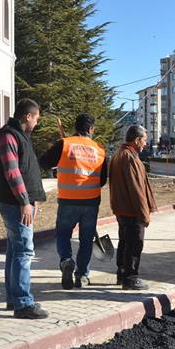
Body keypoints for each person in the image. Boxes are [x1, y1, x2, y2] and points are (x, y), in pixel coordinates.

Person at [0, 98, 49, 319]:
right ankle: (23, 302)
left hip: (21, 203)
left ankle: (13, 298)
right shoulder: (8, 136)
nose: (37, 122)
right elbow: (12, 172)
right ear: (27, 116)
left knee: (15, 251)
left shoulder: (20, 136)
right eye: (36, 118)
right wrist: (25, 202)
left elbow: (24, 170)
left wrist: (32, 200)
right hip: (15, 204)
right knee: (23, 251)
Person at [38, 114, 108, 290]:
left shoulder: (64, 144)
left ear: (76, 127)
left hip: (68, 200)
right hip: (90, 203)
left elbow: (44, 163)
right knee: (86, 240)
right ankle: (82, 276)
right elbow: (103, 180)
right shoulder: (99, 149)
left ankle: (66, 261)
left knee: (63, 234)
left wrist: (60, 163)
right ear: (91, 129)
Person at [110, 125, 158, 291]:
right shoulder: (129, 157)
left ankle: (122, 273)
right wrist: (144, 214)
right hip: (131, 210)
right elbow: (136, 188)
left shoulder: (119, 154)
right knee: (134, 244)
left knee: (125, 242)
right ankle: (130, 277)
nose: (145, 144)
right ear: (137, 140)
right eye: (144, 140)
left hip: (122, 208)